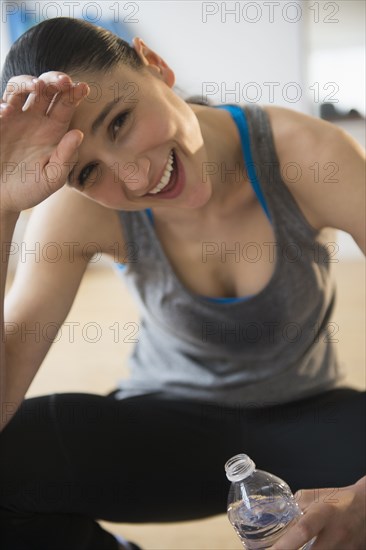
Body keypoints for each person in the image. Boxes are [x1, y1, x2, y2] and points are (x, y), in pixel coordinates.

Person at [0, 17, 365, 550]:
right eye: (87, 172)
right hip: (164, 424)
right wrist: (3, 205)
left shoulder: (309, 155)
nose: (134, 177)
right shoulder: (75, 211)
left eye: (120, 121)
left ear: (156, 65)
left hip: (309, 417)